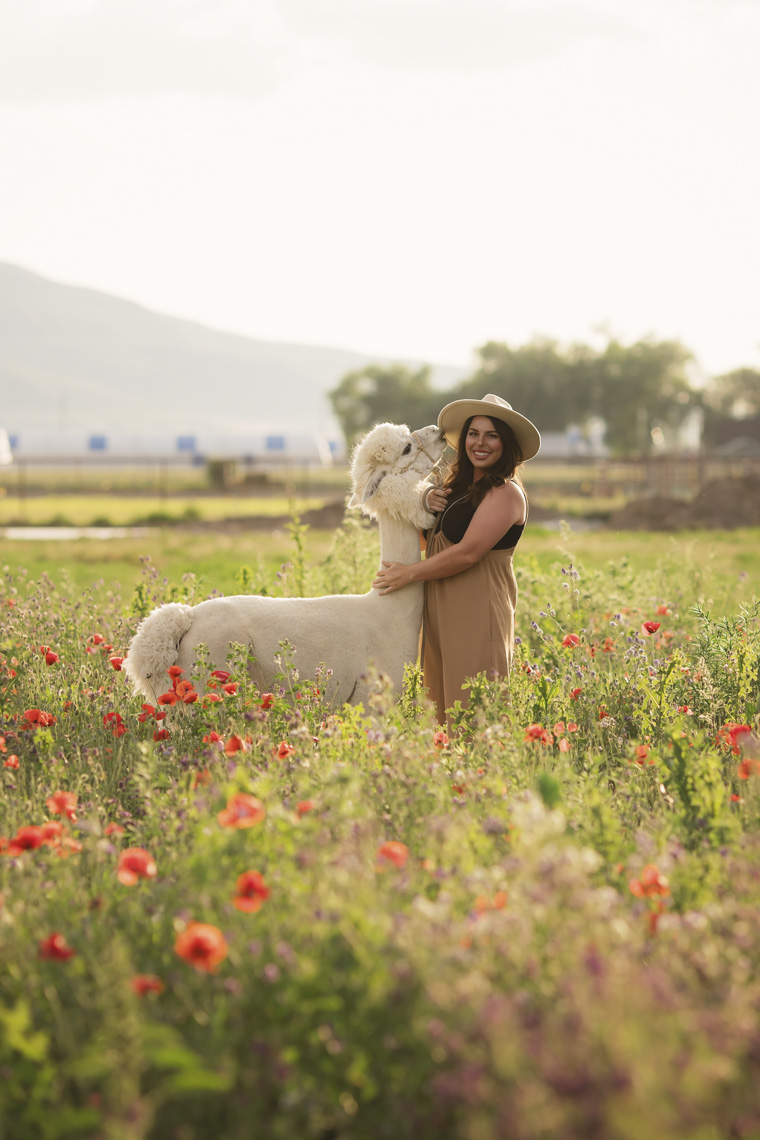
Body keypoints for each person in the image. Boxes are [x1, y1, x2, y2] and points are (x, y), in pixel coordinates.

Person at [372, 393, 541, 726]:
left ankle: (484, 777)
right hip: (440, 609)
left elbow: (468, 553)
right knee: (441, 709)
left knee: (475, 710)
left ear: (505, 444)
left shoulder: (506, 493)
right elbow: (429, 541)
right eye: (474, 434)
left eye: (491, 435)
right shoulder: (454, 489)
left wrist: (408, 574)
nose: (480, 443)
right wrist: (423, 501)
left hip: (477, 611)